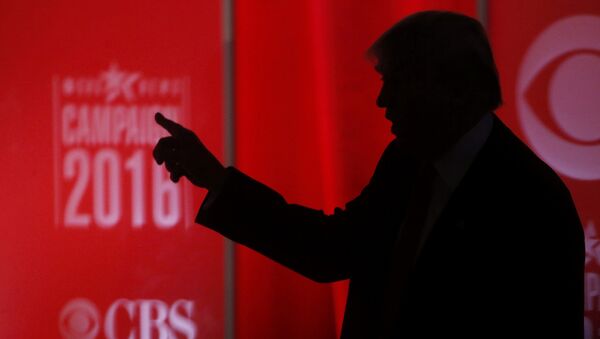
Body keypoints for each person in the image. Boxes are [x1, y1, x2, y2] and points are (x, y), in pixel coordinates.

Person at [153, 10, 584, 338]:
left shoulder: (533, 203)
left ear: (451, 88)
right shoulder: (405, 162)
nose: (382, 101)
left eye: (397, 82)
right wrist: (215, 178)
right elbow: (331, 249)